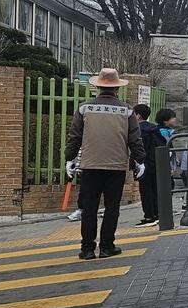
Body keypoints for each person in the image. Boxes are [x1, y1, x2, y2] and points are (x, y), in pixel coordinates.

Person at [64, 68, 145, 259]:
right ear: (117, 88)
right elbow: (135, 139)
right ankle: (107, 246)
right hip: (116, 166)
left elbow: (74, 137)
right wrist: (140, 160)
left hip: (90, 165)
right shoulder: (127, 110)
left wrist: (70, 158)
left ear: (98, 86)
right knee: (112, 207)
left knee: (89, 207)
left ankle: (87, 249)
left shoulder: (84, 108)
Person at [133, 104, 164, 226]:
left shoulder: (138, 130)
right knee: (155, 189)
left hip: (143, 164)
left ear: (138, 115)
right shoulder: (154, 128)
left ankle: (149, 216)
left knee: (145, 191)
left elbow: (137, 148)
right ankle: (157, 214)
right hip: (156, 163)